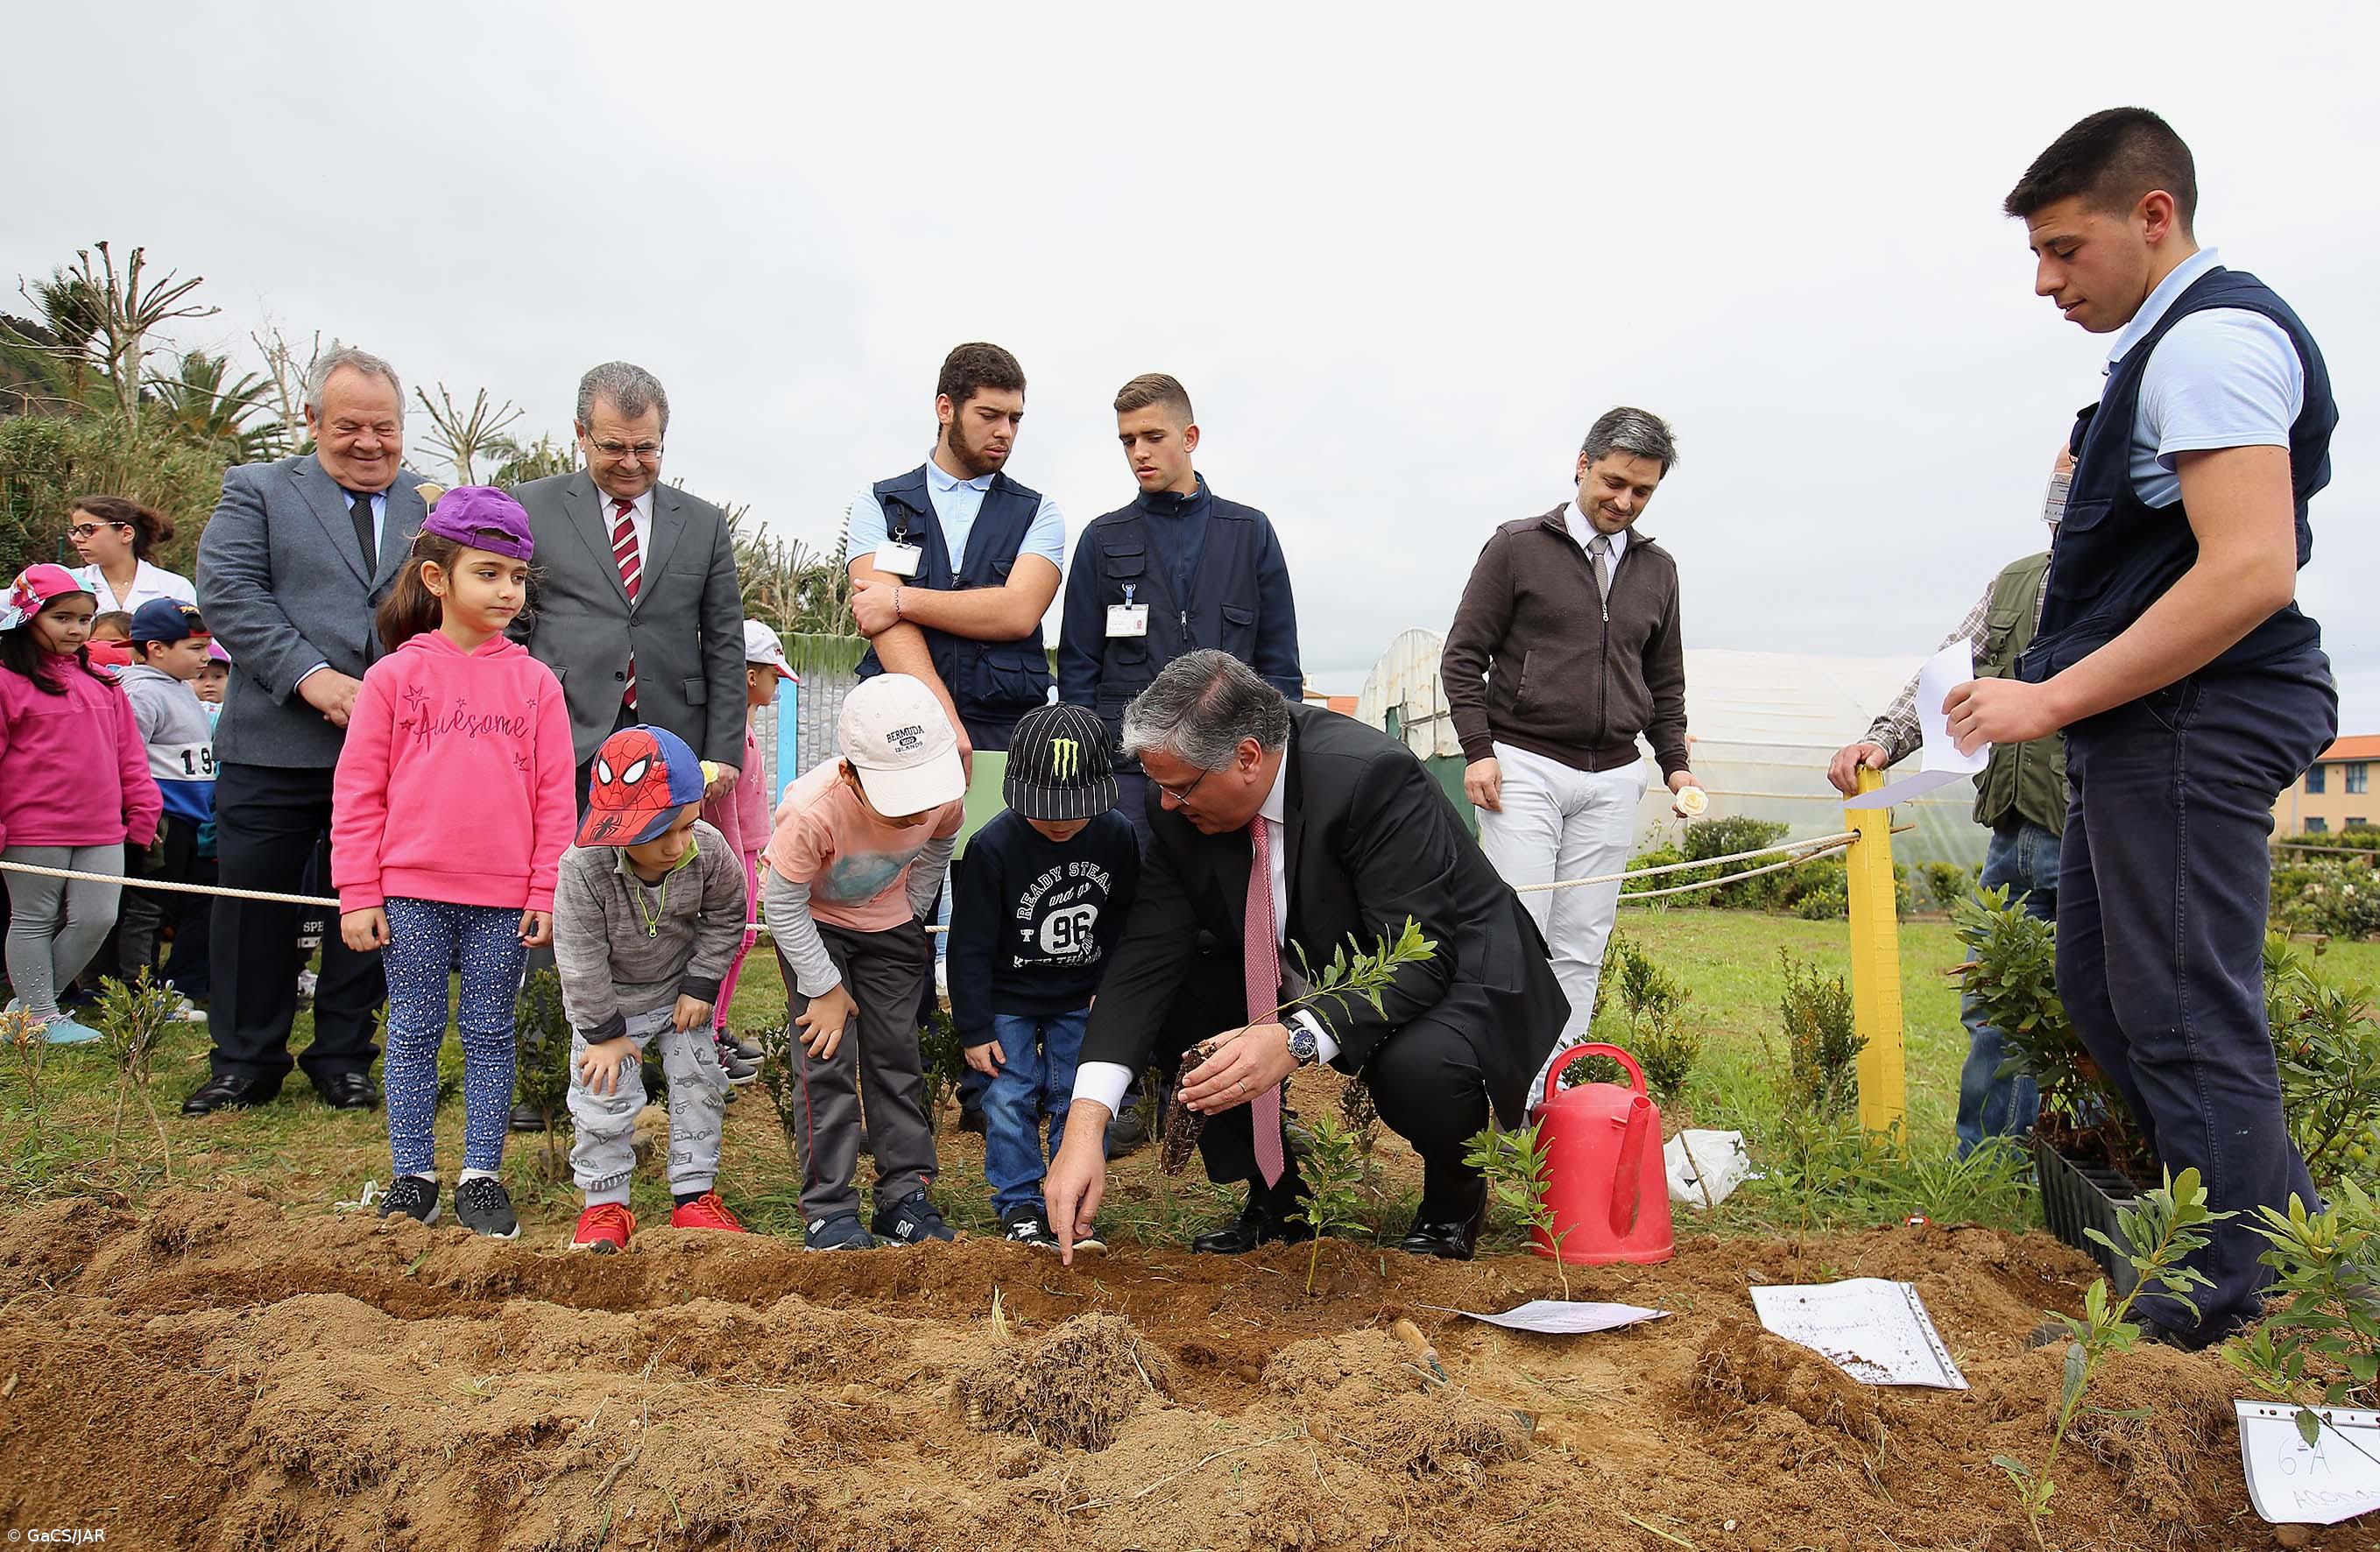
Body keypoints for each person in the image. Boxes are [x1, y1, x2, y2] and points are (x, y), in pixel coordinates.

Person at [1946, 109, 2340, 1347]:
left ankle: (2207, 1304)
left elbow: (2250, 569)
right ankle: (2291, 1263)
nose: (2045, 280)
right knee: (2106, 987)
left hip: (2199, 712)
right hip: (2155, 720)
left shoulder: (2209, 343)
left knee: (2177, 1004)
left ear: (2152, 216)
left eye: (2064, 249)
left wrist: (2048, 698)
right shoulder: (2162, 352)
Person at [1043, 652, 1569, 1266]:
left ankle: (1453, 1198)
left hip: (1443, 964)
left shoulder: (1371, 776)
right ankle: (1276, 1201)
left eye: (1179, 788)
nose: (1164, 805)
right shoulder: (1183, 811)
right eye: (1157, 786)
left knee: (1421, 1065)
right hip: (1306, 957)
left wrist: (1293, 1040)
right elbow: (1144, 962)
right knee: (1184, 1004)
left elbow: (1416, 957)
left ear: (1247, 758)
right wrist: (1084, 1125)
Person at [331, 489, 576, 1240]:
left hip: (503, 901)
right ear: (437, 579)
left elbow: (555, 799)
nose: (508, 591)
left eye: (518, 577)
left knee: (490, 1032)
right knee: (410, 1028)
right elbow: (358, 792)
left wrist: (545, 889)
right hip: (410, 894)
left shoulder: (536, 684)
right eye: (489, 573)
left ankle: (480, 1176)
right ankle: (413, 1176)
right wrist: (358, 891)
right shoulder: (392, 678)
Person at [192, 345, 431, 1116]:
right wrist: (311, 677)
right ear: (312, 420)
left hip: (395, 751)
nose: (369, 444)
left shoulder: (435, 505)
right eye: (349, 426)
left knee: (371, 905)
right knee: (252, 906)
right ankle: (244, 1060)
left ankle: (345, 1056)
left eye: (384, 428)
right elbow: (229, 593)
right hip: (275, 741)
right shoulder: (257, 489)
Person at [1440, 407, 1702, 1091]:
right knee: (1518, 934)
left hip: (1613, 775)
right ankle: (1495, 1085)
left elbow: (1664, 680)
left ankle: (1550, 1091)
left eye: (1641, 491)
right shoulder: (1516, 546)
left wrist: (1675, 768)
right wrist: (1478, 749)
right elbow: (1462, 657)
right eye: (1613, 482)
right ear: (1581, 465)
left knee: (1582, 943)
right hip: (1523, 766)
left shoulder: (1658, 570)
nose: (1624, 501)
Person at [1830, 449, 2073, 1156]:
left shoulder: (2141, 583)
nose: (2064, 502)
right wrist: (1881, 741)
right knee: (1995, 1003)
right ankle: (1988, 1165)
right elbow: (1947, 673)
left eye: (2080, 482)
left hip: (2094, 836)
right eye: (2060, 484)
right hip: (2014, 830)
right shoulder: (2016, 581)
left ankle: (2084, 1169)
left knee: (2093, 1009)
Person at [761, 674, 966, 1251]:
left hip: (889, 928)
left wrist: (910, 916)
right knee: (825, 1061)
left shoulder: (943, 797)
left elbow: (938, 846)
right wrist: (823, 987)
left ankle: (904, 1198)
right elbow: (781, 904)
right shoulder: (812, 811)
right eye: (899, 797)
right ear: (852, 773)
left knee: (897, 1055)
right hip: (813, 927)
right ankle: (828, 1210)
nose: (915, 812)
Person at [1056, 373, 1303, 849]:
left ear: (1190, 437)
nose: (1139, 453)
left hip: (1227, 767)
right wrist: (1090, 765)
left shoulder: (1249, 532)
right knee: (1134, 888)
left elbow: (1280, 664)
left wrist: (1276, 768)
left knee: (1231, 890)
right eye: (1128, 441)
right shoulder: (1101, 539)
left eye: (1153, 437)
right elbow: (1078, 667)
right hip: (1130, 773)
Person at [948, 702, 1140, 1250]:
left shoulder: (1118, 837)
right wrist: (974, 1027)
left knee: (1075, 1097)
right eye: (1042, 807)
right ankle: (1021, 1204)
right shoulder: (992, 847)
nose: (1058, 820)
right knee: (1008, 1097)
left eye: (1073, 809)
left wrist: (1110, 988)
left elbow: (1125, 921)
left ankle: (1070, 1199)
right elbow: (968, 945)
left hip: (1082, 996)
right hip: (1006, 999)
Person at [512, 361, 748, 804]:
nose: (630, 463)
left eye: (645, 448)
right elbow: (510, 626)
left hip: (673, 744)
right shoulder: (530, 507)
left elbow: (725, 642)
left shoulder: (704, 524)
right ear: (581, 434)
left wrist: (724, 751)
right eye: (614, 447)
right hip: (563, 736)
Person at [555, 725, 750, 1253]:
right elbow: (579, 957)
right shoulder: (583, 868)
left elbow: (729, 914)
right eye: (658, 832)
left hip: (680, 995)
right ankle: (605, 1205)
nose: (676, 845)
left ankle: (693, 1195)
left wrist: (702, 984)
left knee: (701, 1085)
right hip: (609, 1005)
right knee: (601, 1094)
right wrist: (603, 1034)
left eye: (686, 826)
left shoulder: (708, 851)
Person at [845, 342, 1065, 758]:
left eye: (1014, 418)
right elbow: (880, 621)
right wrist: (940, 720)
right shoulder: (877, 503)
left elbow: (1017, 613)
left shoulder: (1040, 512)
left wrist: (899, 600)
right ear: (946, 409)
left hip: (1006, 733)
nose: (1005, 431)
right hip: (901, 726)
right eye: (989, 415)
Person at [0, 565, 160, 1045]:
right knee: (34, 919)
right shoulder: (7, 681)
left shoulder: (103, 681)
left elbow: (129, 754)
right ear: (27, 617)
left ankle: (28, 1009)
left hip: (102, 826)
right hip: (32, 827)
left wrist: (143, 809)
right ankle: (41, 1016)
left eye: (85, 619)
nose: (76, 629)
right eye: (62, 618)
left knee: (98, 918)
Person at [698, 619, 801, 1083]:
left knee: (740, 941)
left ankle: (717, 1025)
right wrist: (738, 869)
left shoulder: (743, 726)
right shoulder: (729, 737)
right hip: (734, 854)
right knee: (731, 939)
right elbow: (725, 812)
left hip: (750, 850)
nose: (777, 684)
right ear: (749, 675)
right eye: (773, 675)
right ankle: (706, 1036)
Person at [117, 599, 220, 1016]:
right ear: (156, 648)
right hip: (161, 819)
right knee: (148, 906)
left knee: (184, 902)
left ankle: (170, 983)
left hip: (191, 819)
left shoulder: (178, 686)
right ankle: (138, 991)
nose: (206, 657)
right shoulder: (140, 692)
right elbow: (126, 757)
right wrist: (140, 814)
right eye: (195, 648)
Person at [68, 495, 197, 616]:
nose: (76, 538)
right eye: (75, 531)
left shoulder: (174, 587)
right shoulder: (71, 582)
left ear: (126, 534)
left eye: (87, 530)